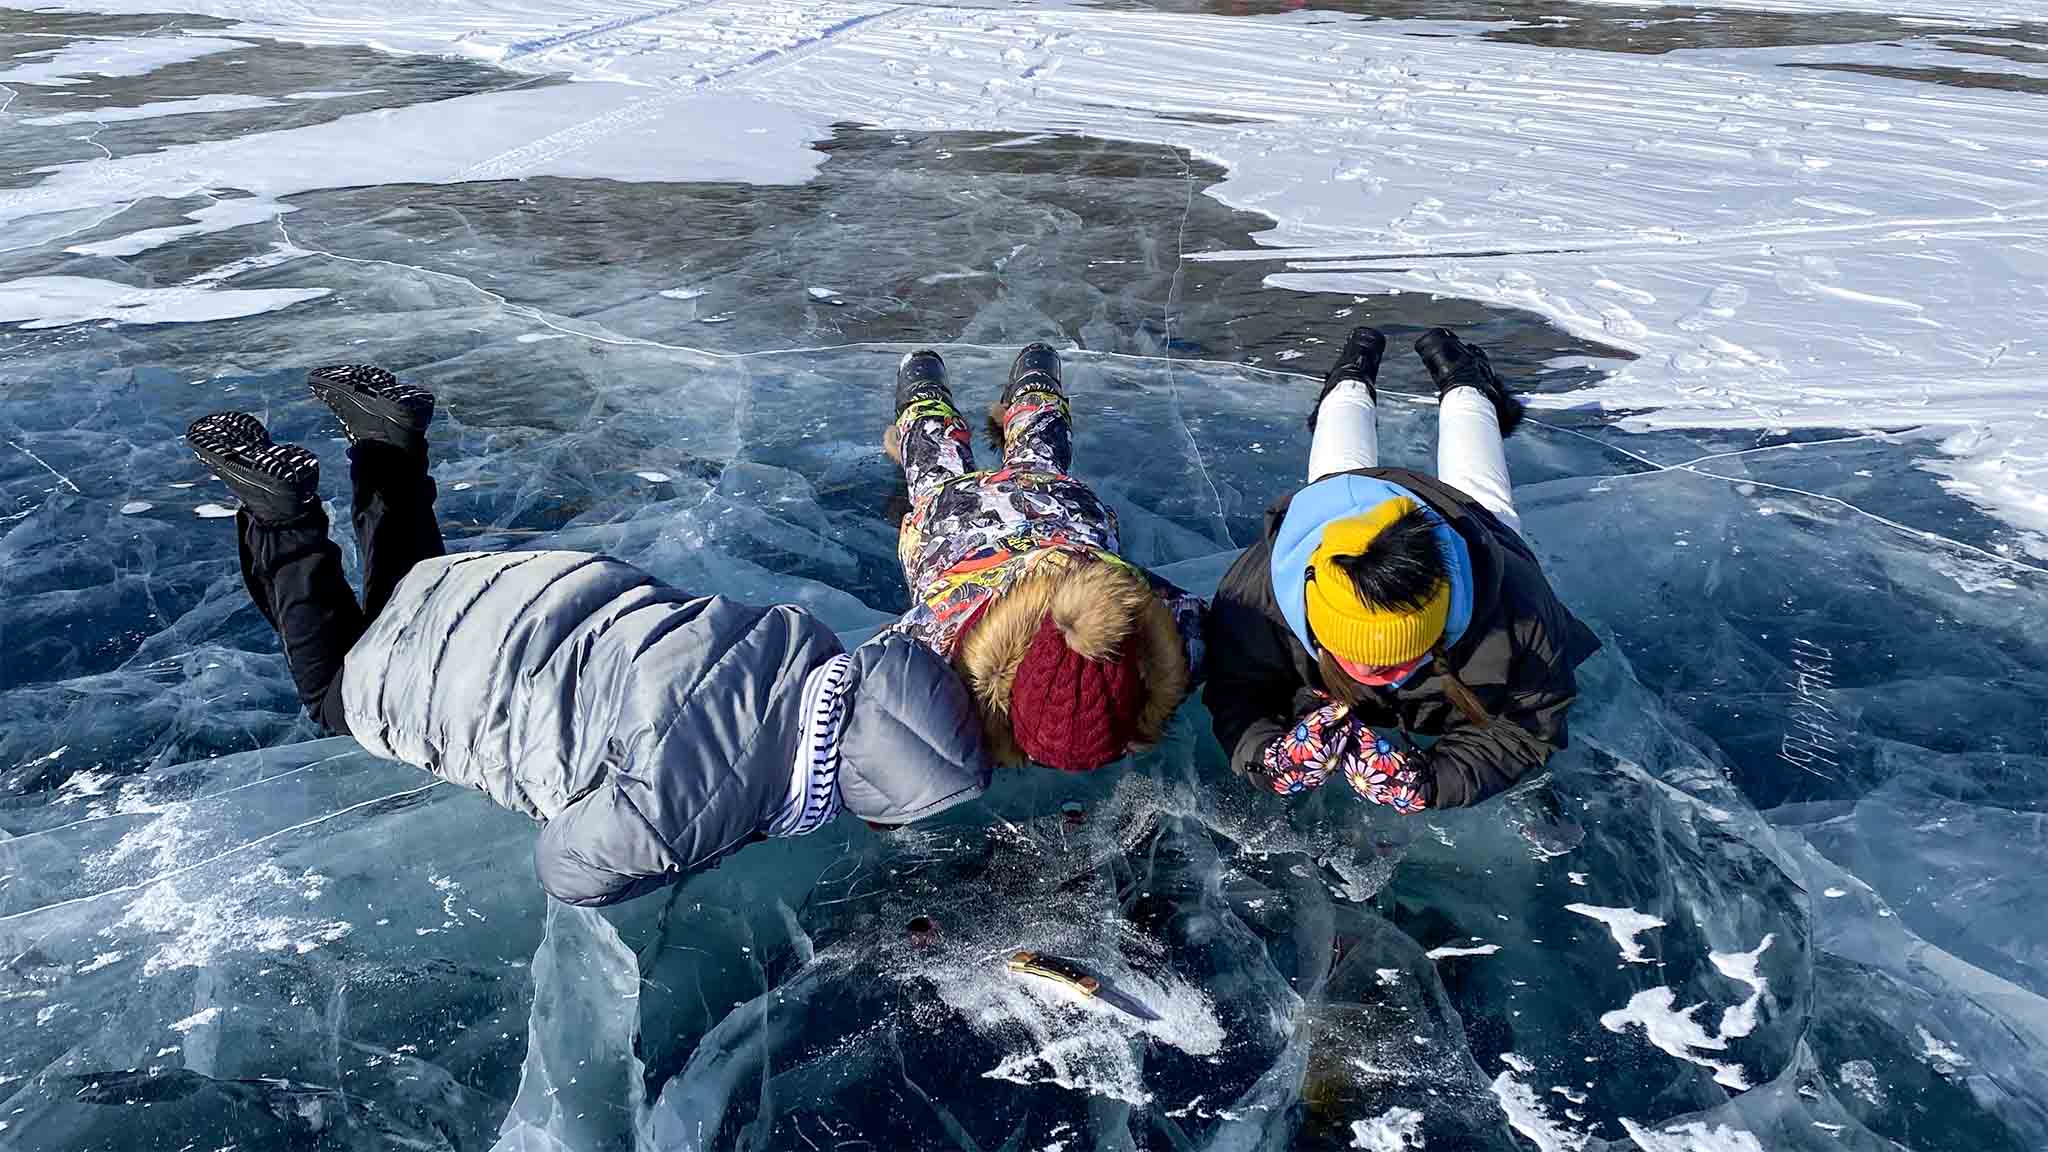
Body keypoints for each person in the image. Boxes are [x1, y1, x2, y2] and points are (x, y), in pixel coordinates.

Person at [185, 366, 991, 907]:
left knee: (416, 592)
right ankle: (283, 516)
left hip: (534, 590)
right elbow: (568, 869)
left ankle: (387, 441)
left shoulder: (789, 641)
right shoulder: (686, 807)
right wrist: (698, 844)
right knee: (340, 688)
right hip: (479, 675)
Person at [1204, 327, 1600, 811]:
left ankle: (1467, 385)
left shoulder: (1520, 611)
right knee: (1333, 474)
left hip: (1466, 519)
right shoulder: (1255, 596)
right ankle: (1352, 377)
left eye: (1399, 659)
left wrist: (1431, 781)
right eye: (1351, 654)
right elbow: (1235, 689)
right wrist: (1268, 757)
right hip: (1339, 514)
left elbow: (1527, 725)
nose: (1371, 672)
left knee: (1485, 499)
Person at [884, 343, 1204, 772]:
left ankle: (1030, 381)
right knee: (935, 475)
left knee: (1039, 460)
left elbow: (1196, 617)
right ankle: (927, 395)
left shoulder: (1156, 619)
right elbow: (883, 667)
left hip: (1060, 514)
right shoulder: (943, 640)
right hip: (957, 527)